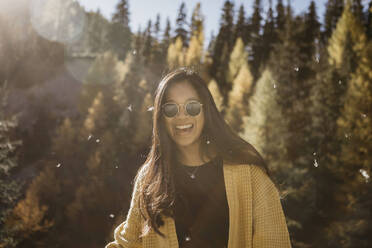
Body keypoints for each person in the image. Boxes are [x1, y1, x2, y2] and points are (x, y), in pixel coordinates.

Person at [105, 68, 292, 248]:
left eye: (192, 107)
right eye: (171, 109)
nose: (182, 116)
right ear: (161, 117)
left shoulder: (249, 173)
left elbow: (274, 242)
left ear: (206, 110)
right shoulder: (150, 178)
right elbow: (128, 244)